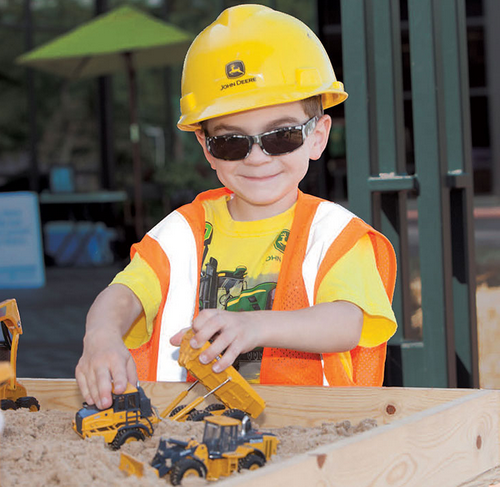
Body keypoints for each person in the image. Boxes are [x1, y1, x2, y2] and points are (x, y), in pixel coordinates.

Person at [76, 4, 397, 410]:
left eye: (281, 136)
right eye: (231, 142)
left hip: (309, 432)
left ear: (318, 137)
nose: (257, 157)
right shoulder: (180, 234)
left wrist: (254, 325)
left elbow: (347, 322)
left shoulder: (335, 235)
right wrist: (101, 338)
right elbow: (121, 296)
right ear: (207, 150)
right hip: (189, 434)